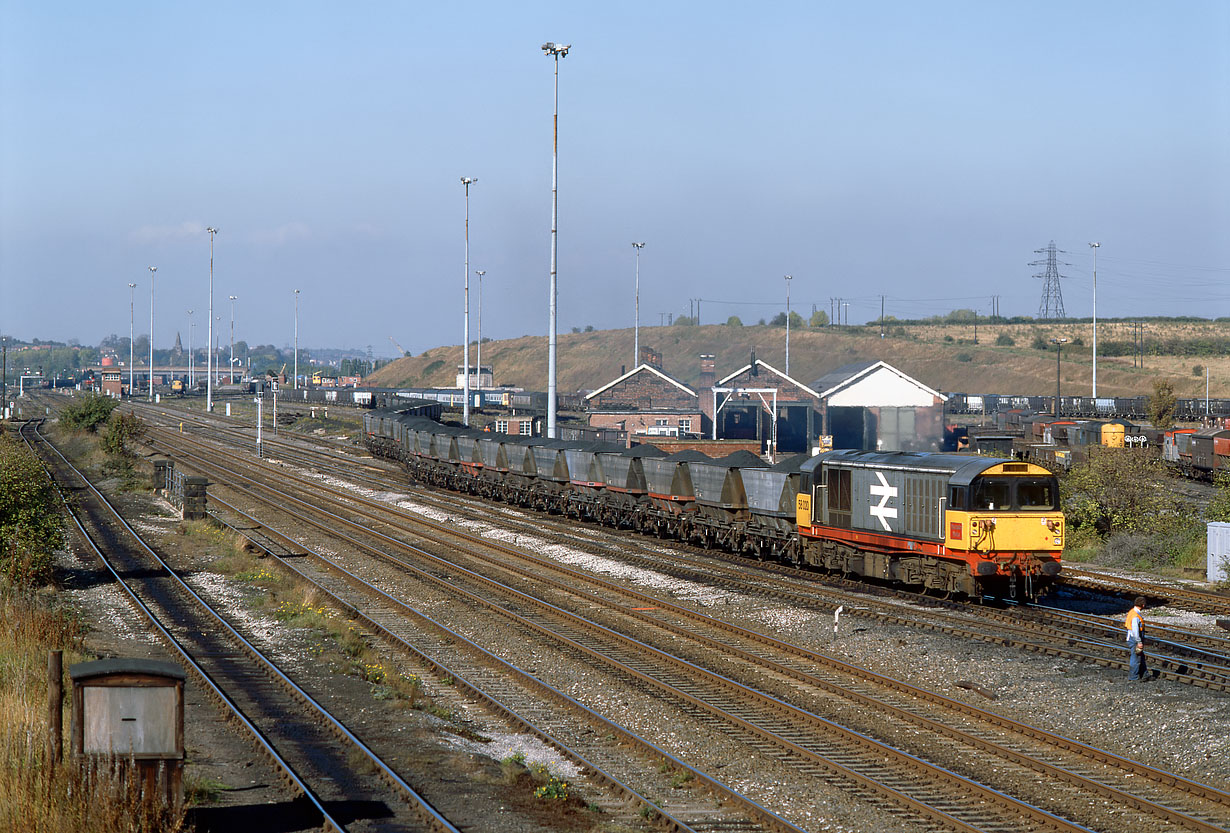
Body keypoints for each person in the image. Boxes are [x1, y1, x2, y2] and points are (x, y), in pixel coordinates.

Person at [1124, 596, 1148, 681]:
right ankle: (1133, 677)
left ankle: (1145, 675)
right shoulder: (1135, 616)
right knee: (1135, 658)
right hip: (1134, 639)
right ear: (1143, 605)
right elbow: (1135, 630)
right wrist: (1139, 641)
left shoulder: (1132, 612)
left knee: (1140, 656)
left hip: (1131, 637)